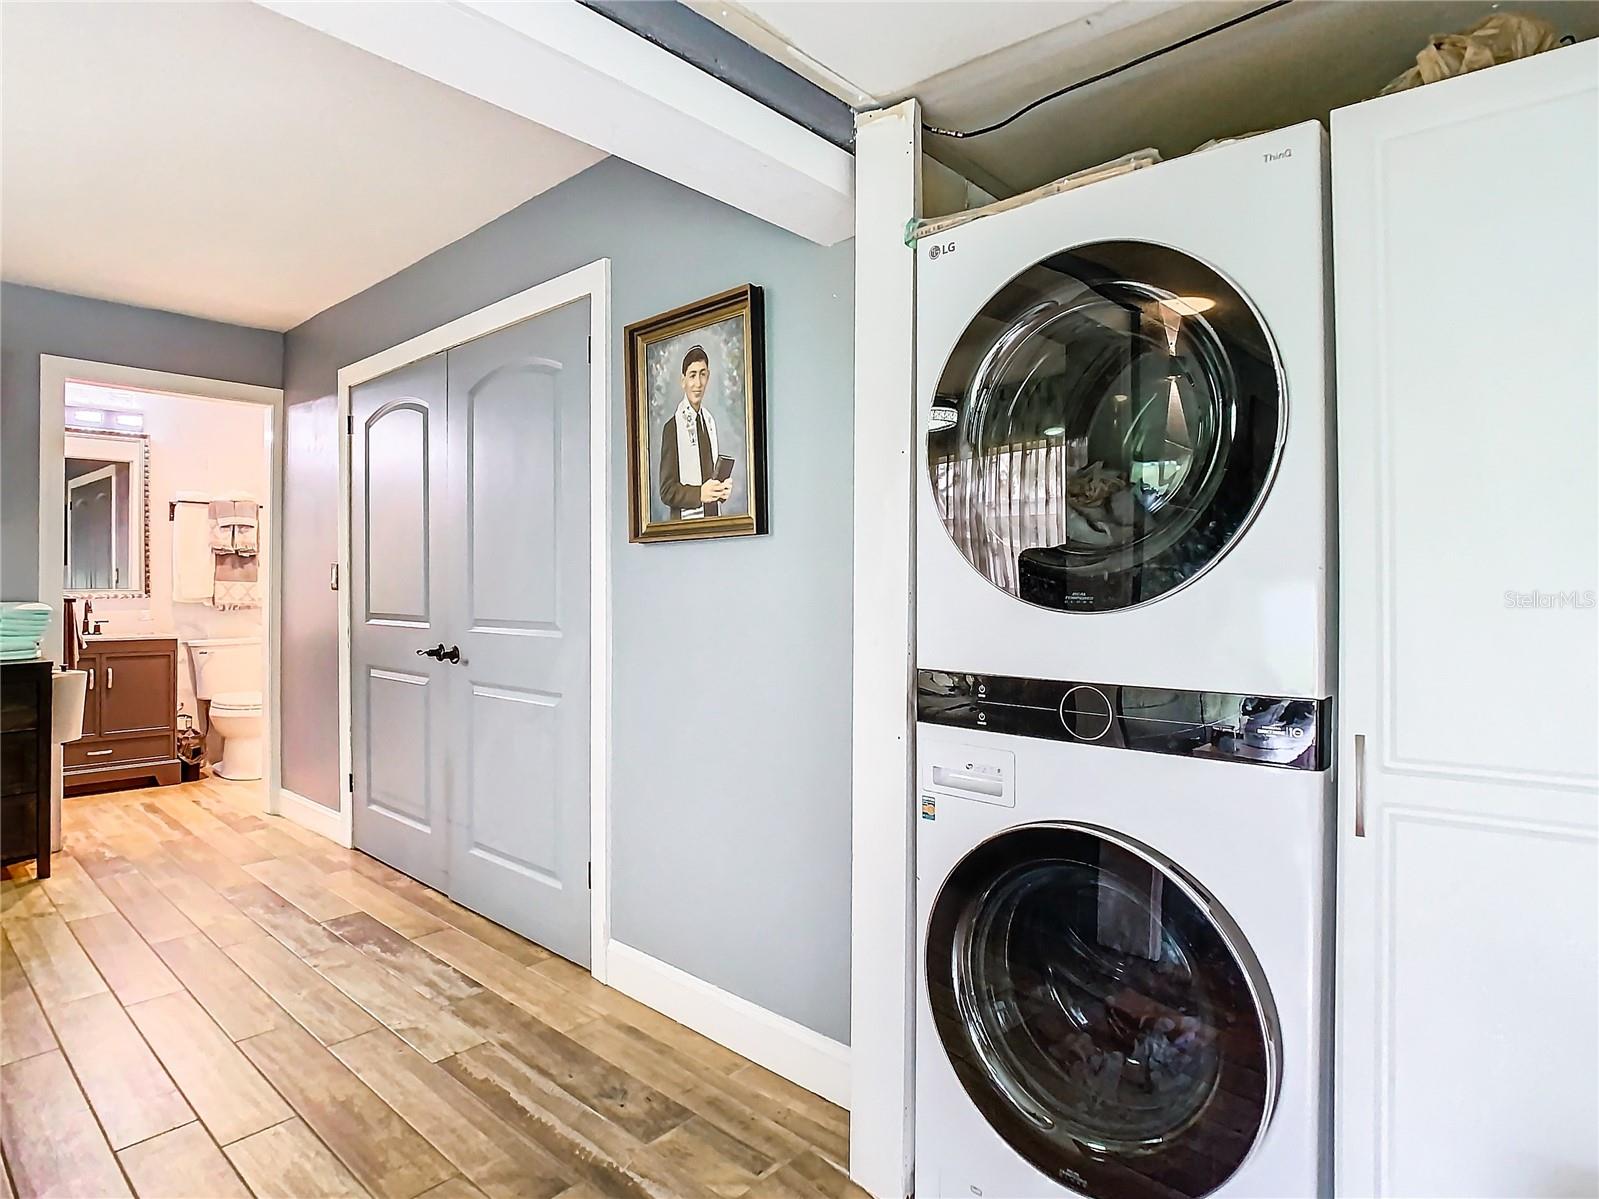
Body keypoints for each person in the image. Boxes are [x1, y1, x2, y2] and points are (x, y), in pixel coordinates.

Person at [658, 344, 732, 519]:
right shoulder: (672, 428)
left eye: (702, 374)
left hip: (713, 524)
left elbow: (709, 476)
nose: (698, 383)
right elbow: (667, 491)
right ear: (683, 381)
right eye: (692, 375)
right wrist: (700, 493)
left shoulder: (709, 422)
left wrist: (720, 491)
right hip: (686, 526)